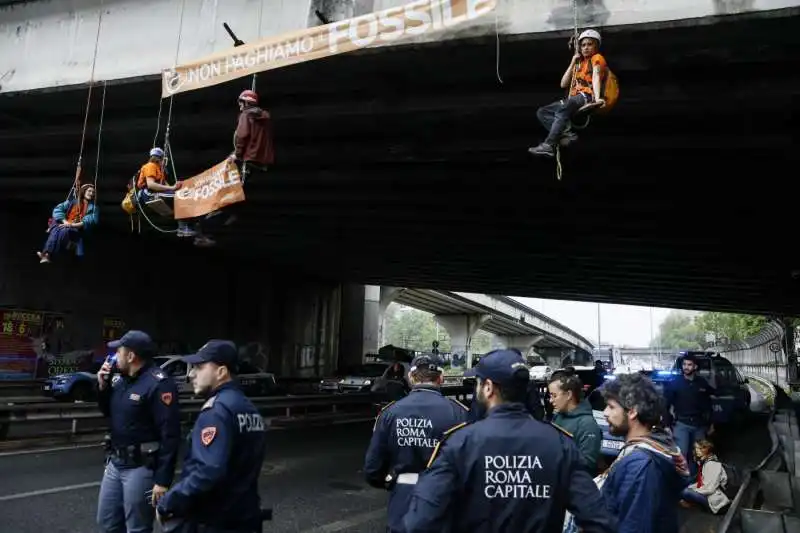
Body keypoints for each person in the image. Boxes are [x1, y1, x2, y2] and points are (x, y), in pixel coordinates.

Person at [403, 349, 616, 533]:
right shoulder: (560, 444)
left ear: (488, 387)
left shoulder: (460, 443)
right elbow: (598, 520)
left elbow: (420, 521)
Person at [157, 340, 269, 533]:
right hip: (246, 517)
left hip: (217, 521)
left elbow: (208, 471)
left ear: (221, 372)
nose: (191, 374)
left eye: (200, 367)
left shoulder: (216, 411)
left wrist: (169, 502)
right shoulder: (249, 408)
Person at [364, 355, 469, 533]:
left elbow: (373, 469)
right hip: (443, 503)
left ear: (411, 378)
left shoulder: (390, 413)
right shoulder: (460, 413)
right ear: (441, 378)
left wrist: (392, 481)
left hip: (402, 503)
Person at [96, 330, 182, 533]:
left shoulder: (159, 384)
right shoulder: (120, 379)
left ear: (131, 356)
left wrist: (162, 480)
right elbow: (108, 412)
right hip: (115, 463)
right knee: (107, 522)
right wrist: (102, 386)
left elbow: (170, 435)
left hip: (140, 467)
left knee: (137, 528)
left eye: (119, 351)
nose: (115, 355)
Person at [599, 373, 691, 533]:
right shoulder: (655, 446)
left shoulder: (640, 465)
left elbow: (633, 526)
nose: (605, 412)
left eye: (611, 406)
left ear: (632, 412)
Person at [528, 29, 608, 157]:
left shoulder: (596, 58)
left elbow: (596, 76)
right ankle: (566, 135)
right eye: (583, 45)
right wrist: (572, 62)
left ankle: (549, 144)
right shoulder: (579, 63)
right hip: (574, 98)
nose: (586, 47)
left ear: (596, 46)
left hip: (586, 95)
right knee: (542, 112)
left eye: (589, 44)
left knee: (564, 108)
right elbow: (563, 84)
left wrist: (597, 98)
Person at [134, 148, 213, 245]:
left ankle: (198, 236)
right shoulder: (151, 166)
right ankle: (182, 228)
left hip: (154, 193)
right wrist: (172, 188)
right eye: (164, 159)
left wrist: (176, 187)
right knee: (180, 197)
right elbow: (151, 184)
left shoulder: (160, 170)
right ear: (160, 158)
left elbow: (166, 187)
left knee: (183, 197)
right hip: (149, 193)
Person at [663, 353, 715, 477]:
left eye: (689, 364)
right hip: (682, 425)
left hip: (699, 426)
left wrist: (711, 424)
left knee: (700, 456)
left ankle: (696, 482)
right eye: (684, 364)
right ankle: (681, 484)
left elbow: (708, 405)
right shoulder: (674, 384)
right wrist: (666, 426)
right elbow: (665, 406)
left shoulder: (702, 383)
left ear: (695, 367)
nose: (686, 367)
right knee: (681, 456)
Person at [548, 370, 602, 474]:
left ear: (568, 395)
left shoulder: (587, 424)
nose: (551, 400)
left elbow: (587, 463)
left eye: (554, 395)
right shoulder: (558, 417)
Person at [37, 183, 98, 264]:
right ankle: (46, 254)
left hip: (77, 230)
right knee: (56, 229)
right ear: (84, 191)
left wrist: (71, 225)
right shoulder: (72, 202)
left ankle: (49, 254)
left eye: (93, 192)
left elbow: (90, 220)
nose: (91, 193)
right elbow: (57, 210)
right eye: (89, 191)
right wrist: (65, 222)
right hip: (65, 225)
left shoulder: (92, 208)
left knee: (63, 230)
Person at [680, 439, 730, 514]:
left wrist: (694, 490)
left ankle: (701, 505)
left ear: (707, 449)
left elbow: (710, 489)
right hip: (712, 497)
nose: (697, 451)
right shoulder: (705, 462)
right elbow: (703, 482)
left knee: (685, 491)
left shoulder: (712, 464)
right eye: (696, 448)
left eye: (700, 448)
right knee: (686, 487)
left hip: (718, 504)